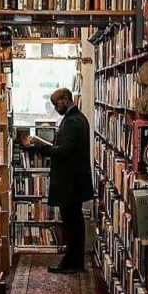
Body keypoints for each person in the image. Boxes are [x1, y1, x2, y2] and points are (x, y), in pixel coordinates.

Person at [22, 88, 93, 274]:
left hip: (70, 183)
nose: (56, 108)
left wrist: (39, 148)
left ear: (66, 99)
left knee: (71, 224)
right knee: (75, 222)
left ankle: (71, 263)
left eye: (57, 104)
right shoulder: (80, 119)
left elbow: (63, 152)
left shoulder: (72, 121)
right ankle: (74, 262)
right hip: (75, 181)